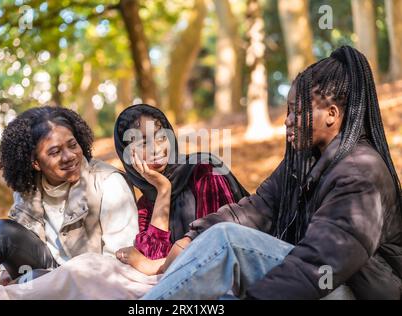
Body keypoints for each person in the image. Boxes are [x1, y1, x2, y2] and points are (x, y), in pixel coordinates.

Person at [141, 45, 402, 300]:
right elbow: (256, 210)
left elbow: (319, 265)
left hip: (342, 288)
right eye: (288, 111)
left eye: (297, 111)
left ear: (331, 115)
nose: (287, 120)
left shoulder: (361, 173)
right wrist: (191, 238)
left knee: (227, 241)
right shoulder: (305, 163)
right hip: (317, 280)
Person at [0, 104, 248, 299]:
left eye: (160, 137)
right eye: (141, 143)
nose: (156, 149)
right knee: (5, 232)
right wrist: (163, 193)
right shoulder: (147, 201)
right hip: (55, 280)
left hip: (192, 288)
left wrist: (150, 263)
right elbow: (141, 259)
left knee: (85, 268)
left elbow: (212, 248)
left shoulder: (203, 170)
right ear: (35, 163)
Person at [0, 106, 138, 291]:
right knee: (4, 232)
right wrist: (6, 275)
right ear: (35, 162)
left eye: (73, 145)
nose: (69, 156)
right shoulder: (28, 189)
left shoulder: (109, 183)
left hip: (90, 284)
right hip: (44, 274)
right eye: (55, 152)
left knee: (31, 277)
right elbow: (20, 243)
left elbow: (120, 261)